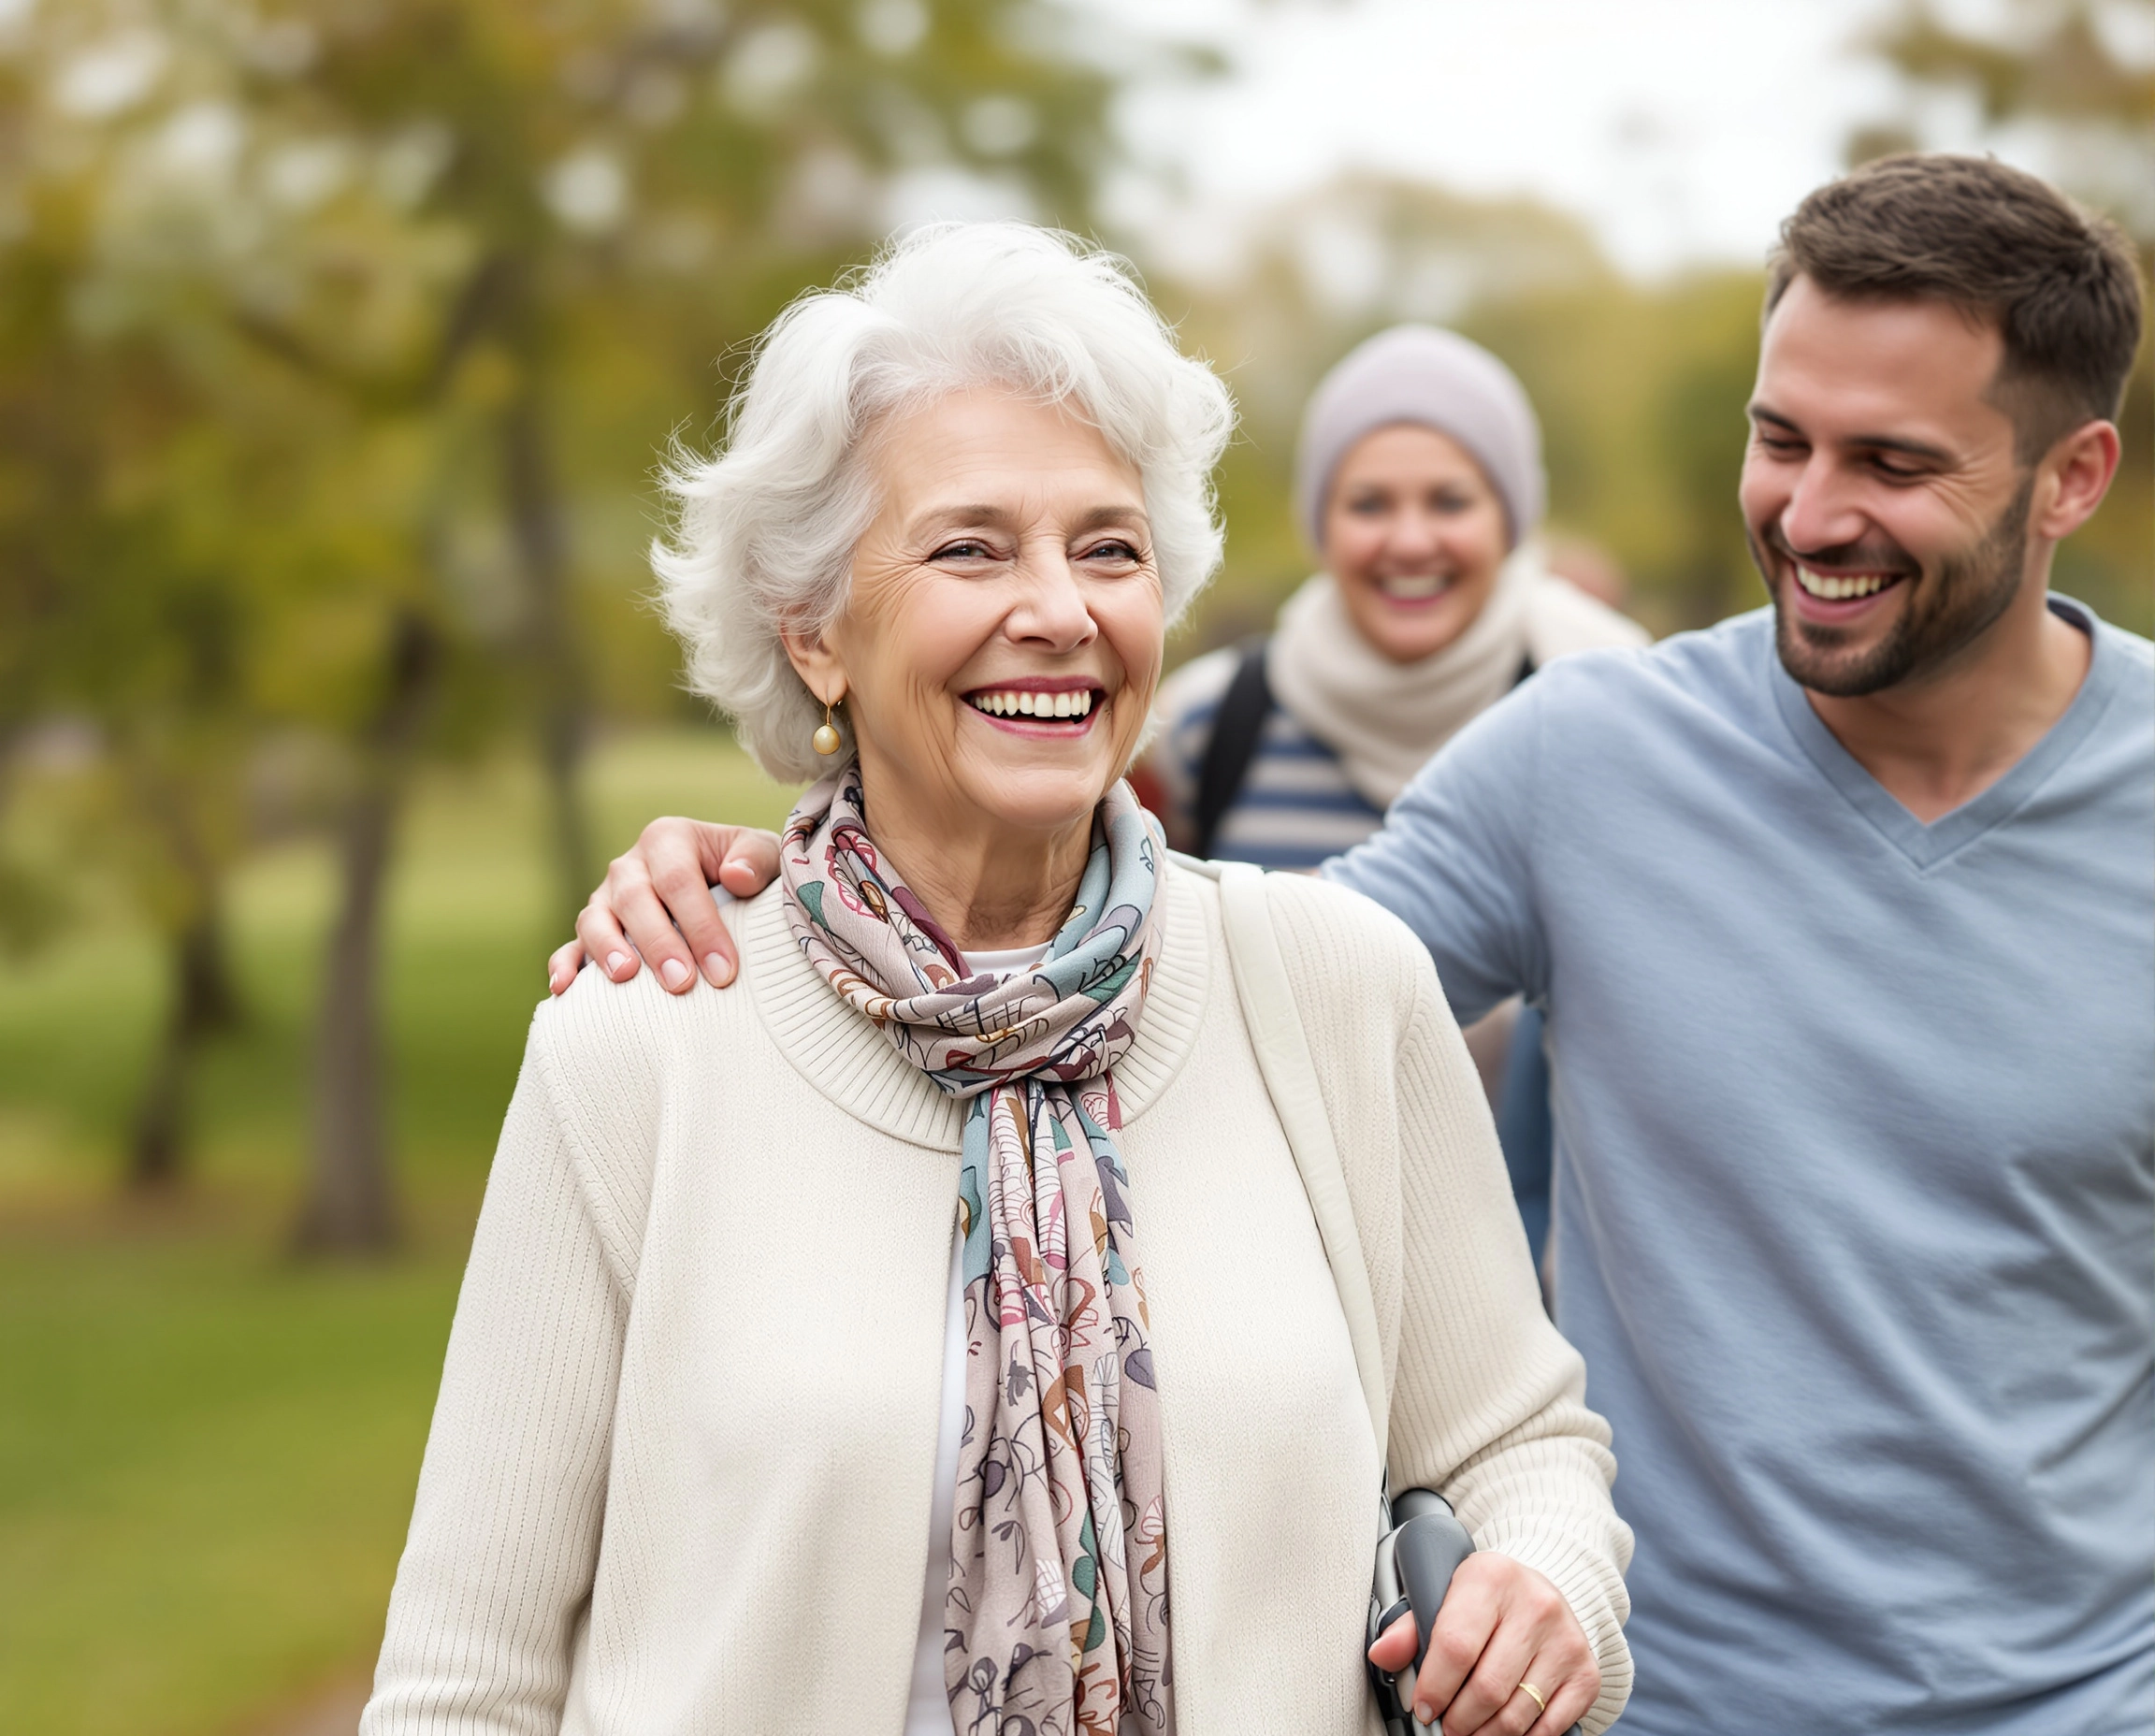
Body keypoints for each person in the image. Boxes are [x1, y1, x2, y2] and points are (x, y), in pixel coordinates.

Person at [546, 155, 2155, 1734]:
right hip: (1678, 1701)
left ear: (2067, 478)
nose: (1808, 512)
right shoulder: (1584, 761)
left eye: (1888, 462)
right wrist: (815, 875)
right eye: (1775, 438)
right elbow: (1173, 981)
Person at [363, 223, 1634, 1736]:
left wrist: (1542, 1587)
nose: (1058, 608)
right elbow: (463, 1682)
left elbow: (1519, 1445)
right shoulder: (646, 1041)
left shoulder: (1333, 989)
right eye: (969, 546)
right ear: (812, 630)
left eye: (1106, 546)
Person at [1135, 326, 1646, 1266]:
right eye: (1369, 501)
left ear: (1512, 518)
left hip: (1547, 1268)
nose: (1410, 539)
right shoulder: (1206, 724)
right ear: (1320, 520)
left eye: (1451, 499)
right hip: (1271, 1253)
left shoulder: (1611, 714)